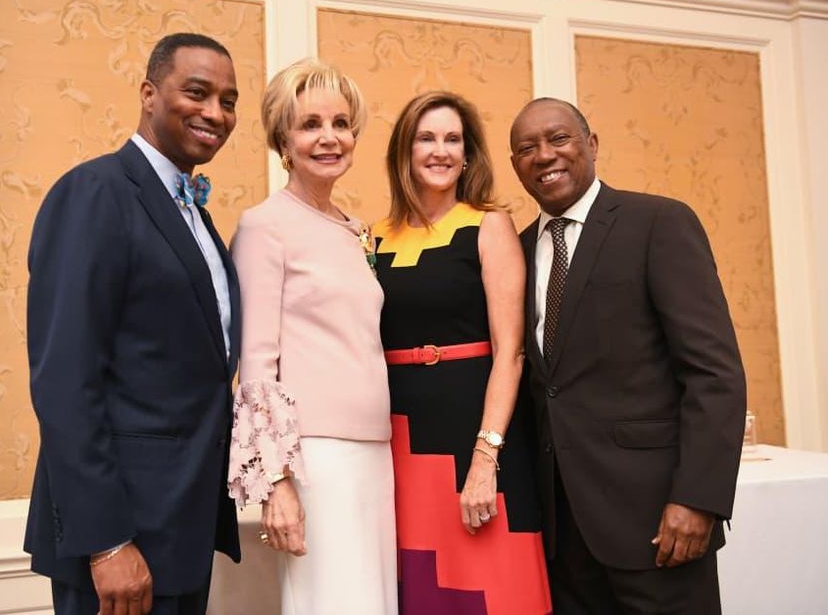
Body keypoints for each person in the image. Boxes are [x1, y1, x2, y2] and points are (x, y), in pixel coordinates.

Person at [24, 32, 242, 615]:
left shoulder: (192, 212)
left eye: (228, 100)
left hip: (182, 530)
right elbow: (65, 382)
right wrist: (107, 542)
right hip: (121, 538)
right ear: (149, 94)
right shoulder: (95, 193)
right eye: (197, 92)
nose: (215, 113)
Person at [510, 97, 747, 614]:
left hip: (658, 524)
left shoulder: (657, 222)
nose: (543, 155)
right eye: (526, 148)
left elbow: (714, 373)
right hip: (562, 536)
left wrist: (698, 499)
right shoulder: (517, 250)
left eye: (558, 139)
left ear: (591, 145)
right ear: (516, 168)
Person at [228, 58, 396, 615]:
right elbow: (255, 366)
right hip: (314, 461)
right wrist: (276, 483)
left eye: (341, 123)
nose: (330, 138)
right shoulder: (264, 225)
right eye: (310, 125)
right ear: (284, 139)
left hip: (377, 452)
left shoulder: (356, 231)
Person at [373, 91, 551, 614]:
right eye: (426, 138)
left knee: (492, 589)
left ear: (469, 153)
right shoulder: (372, 238)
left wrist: (485, 457)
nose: (441, 150)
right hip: (399, 444)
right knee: (424, 589)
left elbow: (512, 352)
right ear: (404, 151)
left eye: (453, 139)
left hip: (475, 438)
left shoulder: (487, 225)